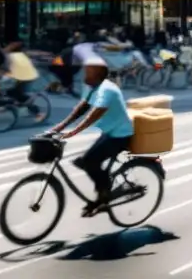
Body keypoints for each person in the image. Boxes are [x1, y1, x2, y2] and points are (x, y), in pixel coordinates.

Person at [50, 55, 134, 216]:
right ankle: (103, 188)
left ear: (98, 73)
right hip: (110, 132)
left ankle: (105, 194)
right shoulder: (94, 87)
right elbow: (82, 108)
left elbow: (94, 114)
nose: (84, 75)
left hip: (120, 135)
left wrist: (73, 132)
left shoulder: (107, 90)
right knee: (83, 161)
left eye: (88, 72)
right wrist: (60, 126)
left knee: (90, 161)